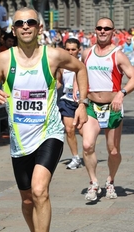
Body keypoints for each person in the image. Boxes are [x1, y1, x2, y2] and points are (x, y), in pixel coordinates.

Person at [0, 7, 88, 232]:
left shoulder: (53, 56)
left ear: (40, 28)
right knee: (27, 199)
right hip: (19, 140)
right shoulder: (4, 60)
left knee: (40, 190)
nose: (25, 26)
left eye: (30, 22)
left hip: (49, 133)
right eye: (20, 23)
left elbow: (81, 68)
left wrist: (83, 102)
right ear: (14, 29)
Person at [81, 17, 134, 202]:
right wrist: (80, 98)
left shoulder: (118, 55)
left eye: (107, 28)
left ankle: (110, 180)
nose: (102, 31)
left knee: (113, 151)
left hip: (112, 107)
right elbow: (80, 74)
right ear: (95, 30)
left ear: (113, 32)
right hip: (92, 106)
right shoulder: (87, 53)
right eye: (99, 28)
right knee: (87, 145)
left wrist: (121, 93)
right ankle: (93, 183)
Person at [56, 38, 83, 170]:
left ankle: (89, 153)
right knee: (69, 129)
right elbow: (59, 83)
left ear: (79, 50)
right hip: (66, 100)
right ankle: (75, 157)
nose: (70, 52)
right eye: (68, 49)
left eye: (73, 49)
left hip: (82, 102)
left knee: (83, 132)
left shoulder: (84, 65)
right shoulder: (62, 66)